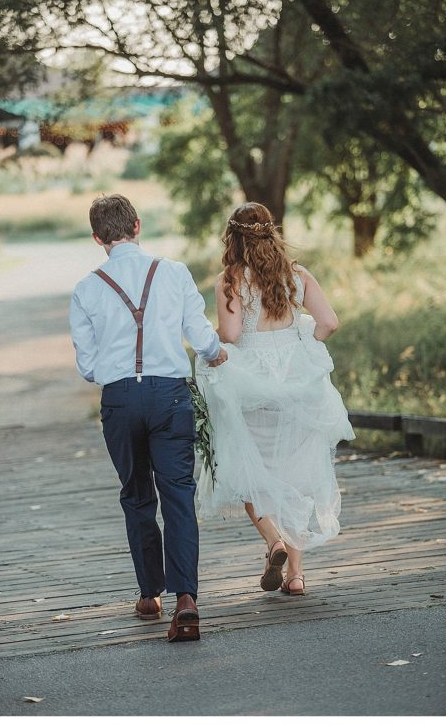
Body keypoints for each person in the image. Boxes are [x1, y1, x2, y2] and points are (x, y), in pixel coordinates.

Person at [69, 193, 227, 643]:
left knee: (137, 495)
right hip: (170, 396)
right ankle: (186, 600)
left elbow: (87, 366)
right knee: (178, 494)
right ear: (137, 226)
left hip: (120, 399)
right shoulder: (173, 272)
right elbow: (200, 335)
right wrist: (217, 355)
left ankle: (149, 594)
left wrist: (117, 372)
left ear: (98, 238)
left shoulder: (87, 288)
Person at [196, 202, 354, 597]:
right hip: (297, 383)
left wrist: (205, 338)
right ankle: (296, 576)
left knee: (247, 467)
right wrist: (302, 346)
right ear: (272, 233)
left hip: (251, 382)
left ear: (232, 238)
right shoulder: (296, 275)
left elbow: (230, 335)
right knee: (296, 476)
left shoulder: (230, 280)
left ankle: (273, 541)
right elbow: (329, 322)